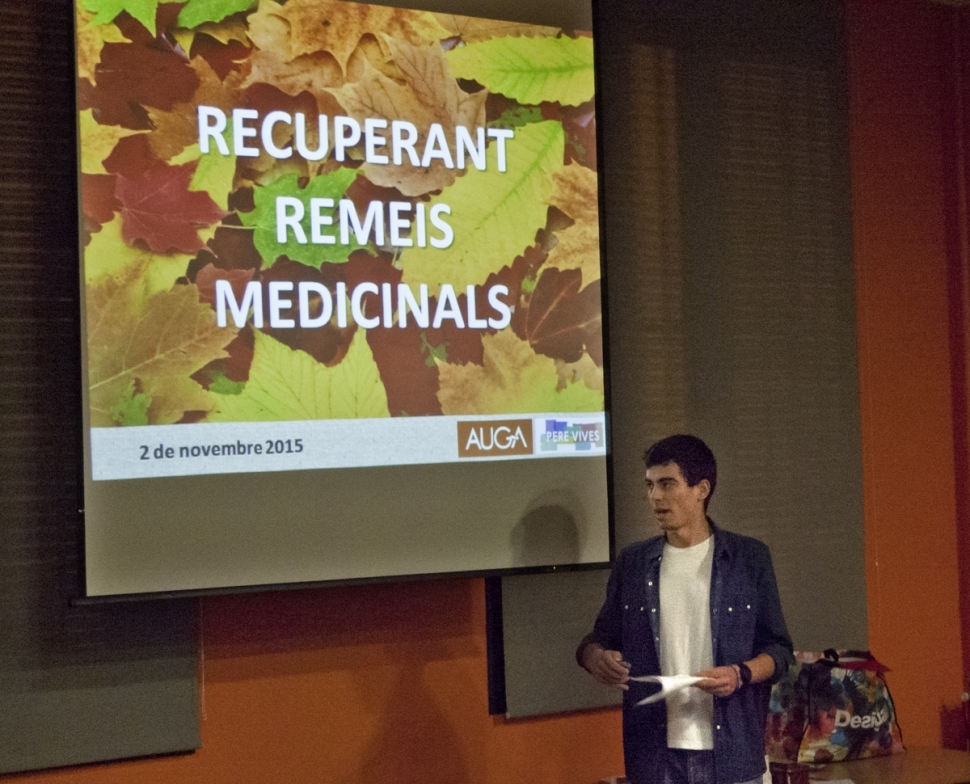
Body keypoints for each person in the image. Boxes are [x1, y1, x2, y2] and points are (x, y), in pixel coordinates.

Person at [577, 434, 793, 784]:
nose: (655, 496)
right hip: (655, 758)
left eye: (667, 484)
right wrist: (595, 657)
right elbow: (597, 640)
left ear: (701, 489)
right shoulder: (633, 563)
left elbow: (779, 651)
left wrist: (740, 674)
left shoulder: (748, 559)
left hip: (733, 756)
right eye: (649, 485)